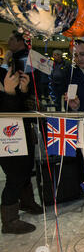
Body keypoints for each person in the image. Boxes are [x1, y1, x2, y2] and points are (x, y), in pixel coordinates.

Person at [7, 30, 43, 215]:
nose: (8, 42)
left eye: (12, 39)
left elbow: (49, 75)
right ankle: (19, 205)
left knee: (26, 161)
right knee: (17, 166)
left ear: (21, 41)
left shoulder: (31, 57)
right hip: (11, 118)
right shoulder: (11, 61)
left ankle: (27, 201)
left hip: (28, 110)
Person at [0, 67, 37, 234]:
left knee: (26, 168)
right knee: (15, 174)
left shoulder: (3, 73)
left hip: (20, 129)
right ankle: (9, 220)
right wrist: (8, 92)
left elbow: (18, 107)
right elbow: (6, 109)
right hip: (6, 136)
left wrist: (22, 90)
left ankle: (27, 202)